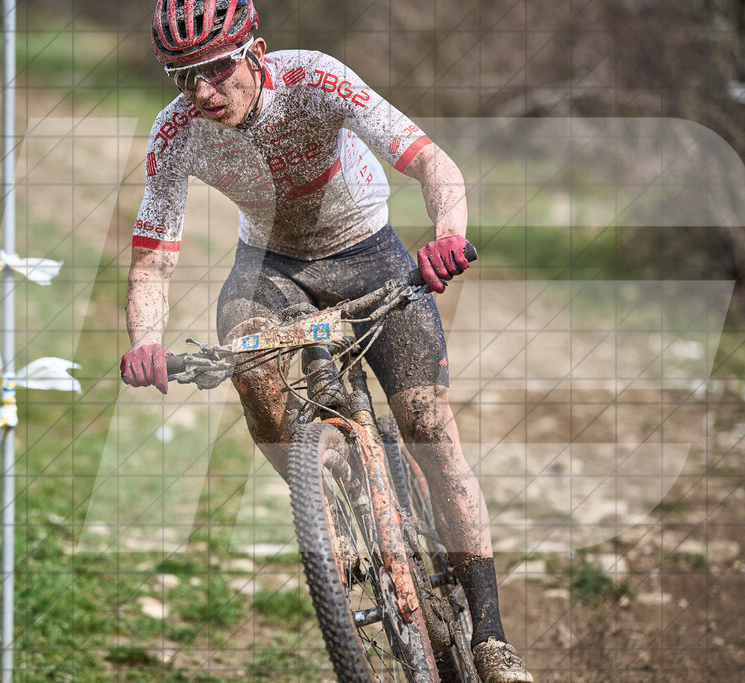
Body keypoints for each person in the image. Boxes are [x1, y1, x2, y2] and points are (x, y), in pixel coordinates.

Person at [120, 1, 532, 680]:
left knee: (431, 431)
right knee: (250, 362)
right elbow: (153, 255)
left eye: (216, 70)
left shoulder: (314, 79)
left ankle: (491, 638)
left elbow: (432, 162)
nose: (201, 92)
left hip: (369, 251)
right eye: (182, 77)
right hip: (271, 270)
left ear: (256, 50)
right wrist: (145, 337)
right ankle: (331, 499)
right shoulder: (175, 134)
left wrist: (448, 234)